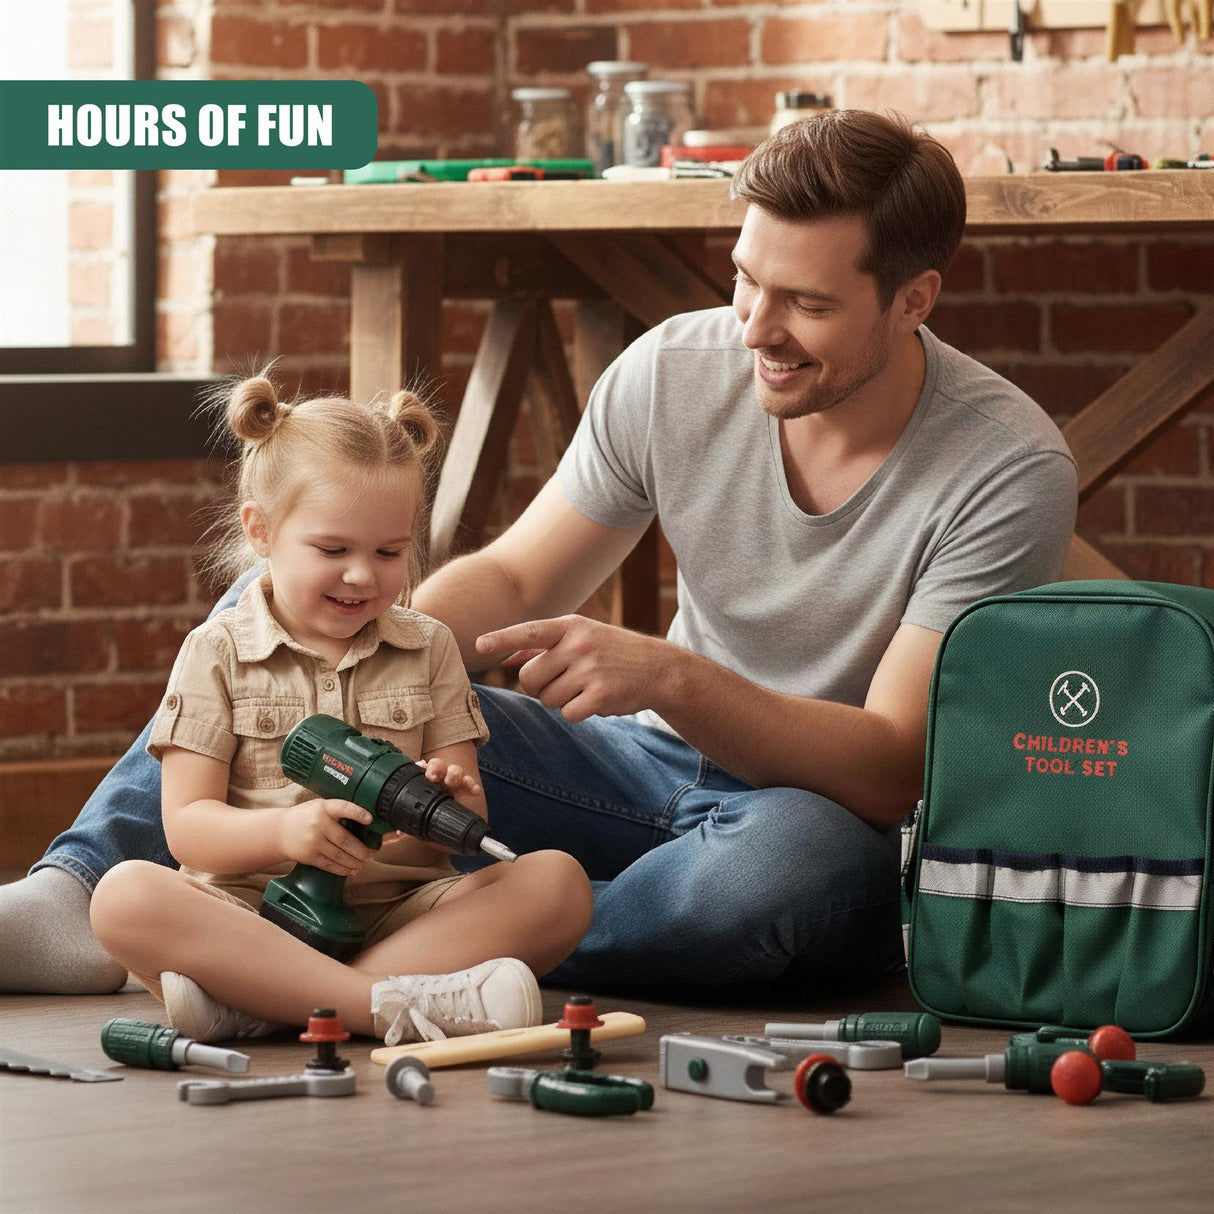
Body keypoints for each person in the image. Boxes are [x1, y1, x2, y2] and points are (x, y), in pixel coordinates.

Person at [0, 109, 1077, 997]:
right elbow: (518, 576)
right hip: (616, 768)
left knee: (792, 878)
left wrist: (671, 677)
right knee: (280, 597)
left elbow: (889, 767)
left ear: (912, 298)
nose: (754, 327)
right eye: (746, 278)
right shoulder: (676, 370)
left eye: (806, 303)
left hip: (804, 811)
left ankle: (349, 956)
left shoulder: (1003, 465)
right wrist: (380, 637)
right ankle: (76, 895)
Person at [83, 374, 592, 1042]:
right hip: (250, 917)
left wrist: (448, 799)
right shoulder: (217, 652)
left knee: (558, 884)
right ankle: (380, 1004)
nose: (362, 574)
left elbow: (462, 819)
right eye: (333, 550)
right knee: (123, 896)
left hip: (401, 917)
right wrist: (284, 834)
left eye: (389, 552)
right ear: (261, 531)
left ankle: (268, 1003)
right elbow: (188, 828)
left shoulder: (430, 647)